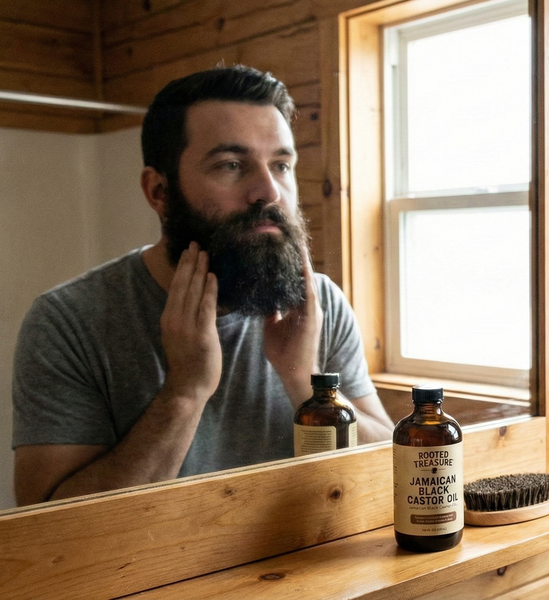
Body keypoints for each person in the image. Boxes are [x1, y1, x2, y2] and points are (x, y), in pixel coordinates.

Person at [12, 66, 393, 506]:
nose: (268, 191)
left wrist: (307, 383)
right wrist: (185, 392)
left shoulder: (316, 302)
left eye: (281, 165)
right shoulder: (69, 321)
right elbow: (49, 529)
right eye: (232, 165)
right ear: (158, 191)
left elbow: (391, 465)